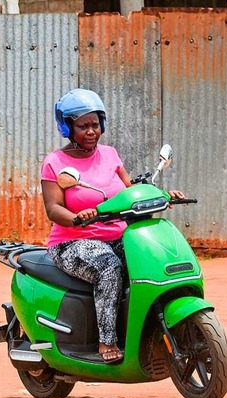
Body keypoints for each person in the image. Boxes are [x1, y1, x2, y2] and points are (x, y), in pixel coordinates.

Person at [40, 88, 182, 364]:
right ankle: (107, 340)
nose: (91, 131)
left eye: (95, 124)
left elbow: (130, 192)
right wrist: (77, 218)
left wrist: (163, 196)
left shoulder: (110, 155)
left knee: (151, 259)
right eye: (83, 126)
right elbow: (53, 208)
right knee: (109, 267)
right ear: (68, 127)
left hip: (117, 236)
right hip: (72, 242)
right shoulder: (56, 163)